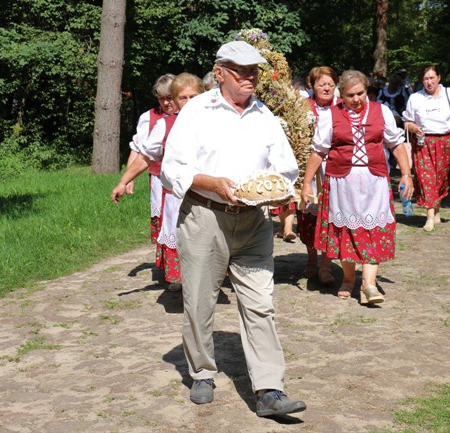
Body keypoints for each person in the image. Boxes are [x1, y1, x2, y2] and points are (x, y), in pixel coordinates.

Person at [160, 40, 307, 417]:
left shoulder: (263, 115)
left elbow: (287, 168)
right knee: (198, 302)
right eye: (241, 71)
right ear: (220, 72)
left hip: (255, 221)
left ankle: (270, 390)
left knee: (261, 304)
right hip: (205, 217)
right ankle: (203, 373)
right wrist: (211, 183)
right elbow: (172, 168)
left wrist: (276, 192)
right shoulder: (197, 111)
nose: (249, 78)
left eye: (254, 71)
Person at [301, 70, 414, 304]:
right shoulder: (331, 115)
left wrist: (406, 174)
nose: (356, 99)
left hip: (374, 181)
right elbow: (319, 151)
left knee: (373, 229)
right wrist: (306, 184)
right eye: (350, 95)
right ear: (341, 94)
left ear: (367, 90)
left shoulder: (381, 111)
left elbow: (396, 144)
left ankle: (369, 284)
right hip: (342, 182)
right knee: (347, 231)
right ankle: (349, 279)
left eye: (361, 93)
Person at [111, 73, 205, 292]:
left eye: (194, 96)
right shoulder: (164, 125)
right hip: (177, 196)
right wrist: (124, 181)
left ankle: (205, 284)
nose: (189, 103)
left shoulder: (218, 123)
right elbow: (145, 156)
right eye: (183, 97)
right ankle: (181, 282)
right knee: (179, 236)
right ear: (175, 99)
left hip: (208, 196)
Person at [402, 65, 450, 232]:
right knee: (427, 178)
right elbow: (407, 122)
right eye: (425, 79)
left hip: (446, 142)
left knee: (440, 178)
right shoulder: (415, 98)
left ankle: (436, 210)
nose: (429, 82)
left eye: (432, 78)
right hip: (423, 142)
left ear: (439, 78)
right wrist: (414, 129)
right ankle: (430, 217)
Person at [116, 74, 176, 244]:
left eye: (169, 98)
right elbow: (138, 149)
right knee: (164, 218)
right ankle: (166, 261)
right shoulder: (149, 117)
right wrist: (129, 179)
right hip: (159, 178)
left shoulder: (191, 115)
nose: (165, 103)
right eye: (161, 99)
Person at [299, 66, 338, 286]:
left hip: (333, 169)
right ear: (312, 86)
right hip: (309, 168)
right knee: (308, 217)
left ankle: (326, 265)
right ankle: (312, 259)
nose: (326, 88)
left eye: (330, 84)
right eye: (321, 84)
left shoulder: (342, 108)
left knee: (331, 215)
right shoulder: (302, 107)